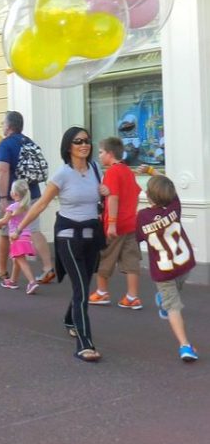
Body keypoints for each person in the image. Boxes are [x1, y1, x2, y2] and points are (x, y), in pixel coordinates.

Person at [11, 127, 108, 362]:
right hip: (68, 237)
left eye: (87, 141)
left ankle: (69, 319)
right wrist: (20, 227)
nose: (84, 145)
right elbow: (41, 204)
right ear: (68, 146)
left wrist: (104, 192)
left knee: (82, 286)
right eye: (78, 141)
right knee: (83, 291)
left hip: (91, 237)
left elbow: (99, 198)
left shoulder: (96, 169)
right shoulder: (62, 174)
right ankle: (84, 343)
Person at [136, 174, 198, 362]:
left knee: (172, 306)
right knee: (174, 304)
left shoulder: (142, 217)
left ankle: (184, 345)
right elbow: (174, 195)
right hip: (183, 266)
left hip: (163, 272)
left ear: (148, 196)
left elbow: (138, 238)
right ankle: (184, 344)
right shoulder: (175, 208)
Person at [0, 111, 55, 284]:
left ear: (9, 125)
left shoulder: (6, 144)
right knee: (33, 230)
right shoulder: (30, 142)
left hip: (13, 196)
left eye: (3, 123)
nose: (2, 125)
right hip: (33, 195)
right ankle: (48, 267)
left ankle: (2, 270)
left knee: (4, 232)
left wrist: (4, 198)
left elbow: (3, 171)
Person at [89, 137, 142, 310]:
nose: (99, 156)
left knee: (106, 257)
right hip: (130, 223)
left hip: (116, 225)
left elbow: (113, 197)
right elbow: (135, 193)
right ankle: (132, 296)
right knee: (131, 260)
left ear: (110, 154)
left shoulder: (112, 172)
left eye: (101, 152)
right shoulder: (127, 171)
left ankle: (102, 292)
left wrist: (111, 223)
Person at [0, 179, 39, 294]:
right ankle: (13, 281)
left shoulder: (13, 207)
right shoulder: (26, 207)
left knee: (21, 261)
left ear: (14, 194)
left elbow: (4, 221)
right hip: (26, 237)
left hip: (16, 237)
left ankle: (32, 282)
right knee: (17, 260)